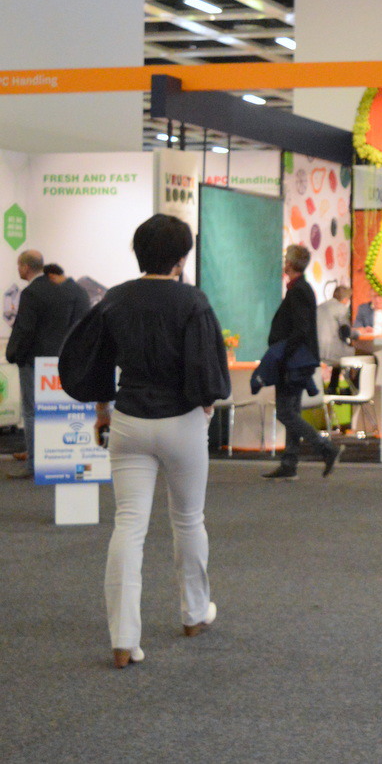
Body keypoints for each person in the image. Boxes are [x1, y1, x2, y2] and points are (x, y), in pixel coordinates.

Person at [58, 214, 230, 668]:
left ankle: (123, 640)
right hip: (182, 421)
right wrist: (206, 402)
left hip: (129, 421)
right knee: (189, 520)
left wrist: (102, 409)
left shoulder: (115, 299)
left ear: (139, 253)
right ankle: (194, 613)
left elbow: (91, 358)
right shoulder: (193, 301)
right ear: (181, 258)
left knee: (128, 525)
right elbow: (206, 367)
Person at [5, 250, 90, 479]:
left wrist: (13, 354)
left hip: (33, 362)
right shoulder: (69, 291)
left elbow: (25, 329)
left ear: (25, 267)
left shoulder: (32, 292)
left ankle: (33, 464)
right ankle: (52, 459)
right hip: (60, 362)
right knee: (55, 412)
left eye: (19, 265)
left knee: (31, 413)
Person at [262, 244, 343, 480]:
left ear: (289, 263)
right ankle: (290, 463)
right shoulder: (301, 289)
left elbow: (300, 329)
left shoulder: (298, 291)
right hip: (298, 360)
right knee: (292, 411)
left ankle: (325, 448)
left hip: (293, 362)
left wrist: (283, 354)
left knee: (286, 412)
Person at [317, 284, 352, 394]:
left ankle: (332, 388)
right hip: (332, 350)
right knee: (368, 357)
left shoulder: (319, 307)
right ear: (345, 299)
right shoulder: (342, 309)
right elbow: (345, 332)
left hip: (316, 350)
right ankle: (353, 388)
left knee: (338, 362)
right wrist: (358, 333)